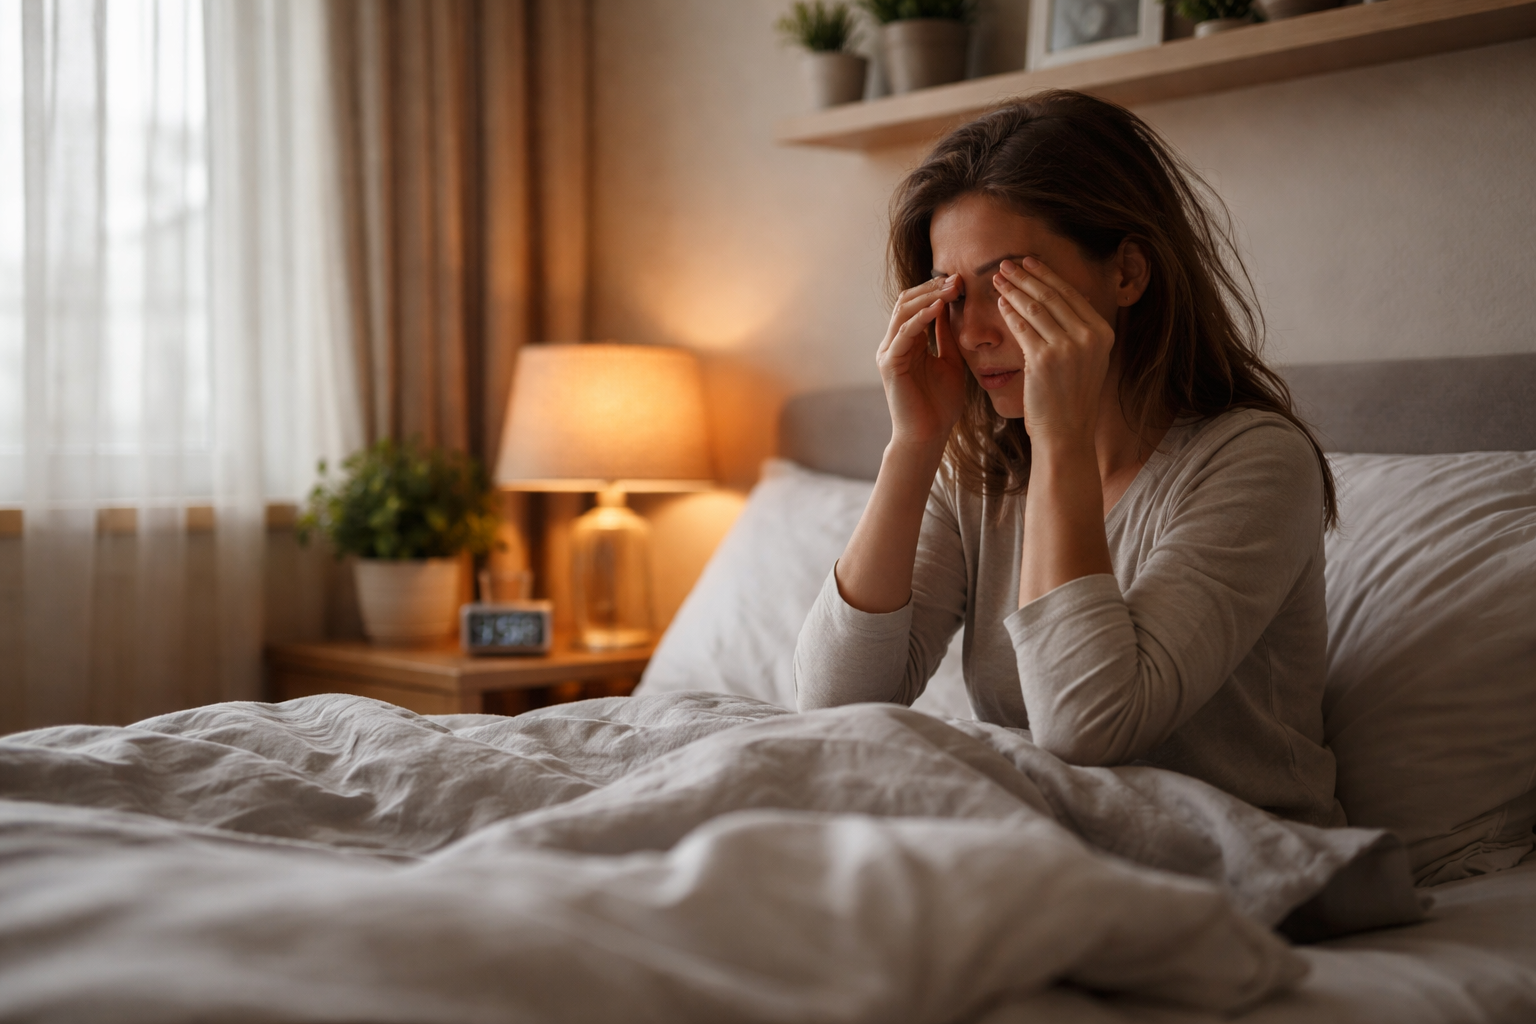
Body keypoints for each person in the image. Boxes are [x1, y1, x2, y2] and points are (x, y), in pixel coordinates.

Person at [793, 90, 1345, 827]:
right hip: (1044, 837)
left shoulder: (1256, 462)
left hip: (1239, 849)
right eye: (953, 295)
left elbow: (1088, 728)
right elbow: (834, 706)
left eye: (1007, 285)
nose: (973, 333)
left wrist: (1060, 437)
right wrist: (914, 444)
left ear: (1127, 274)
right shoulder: (982, 474)